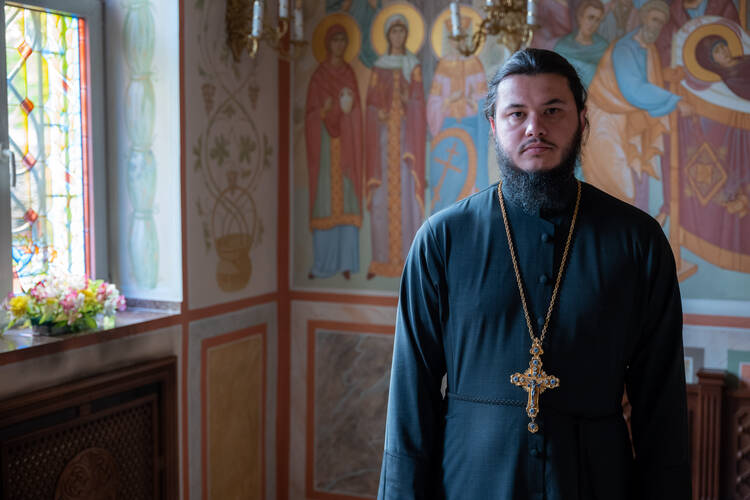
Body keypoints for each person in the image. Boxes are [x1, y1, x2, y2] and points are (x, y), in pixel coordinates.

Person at [378, 48, 690, 499]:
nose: (534, 128)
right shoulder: (442, 241)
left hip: (594, 484)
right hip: (471, 483)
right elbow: (410, 403)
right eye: (516, 113)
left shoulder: (638, 243)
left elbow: (661, 409)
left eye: (552, 111)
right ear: (493, 125)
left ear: (582, 121)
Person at [581, 0, 691, 213]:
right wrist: (675, 101)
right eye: (654, 20)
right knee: (619, 182)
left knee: (635, 178)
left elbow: (648, 79)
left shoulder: (647, 48)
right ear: (643, 18)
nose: (657, 26)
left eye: (661, 22)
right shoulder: (625, 47)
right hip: (606, 118)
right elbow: (635, 90)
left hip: (626, 120)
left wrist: (667, 76)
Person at [365, 14, 426, 279]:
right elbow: (369, 102)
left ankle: (408, 261)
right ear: (388, 36)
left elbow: (420, 104)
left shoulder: (413, 66)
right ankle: (380, 260)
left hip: (405, 145)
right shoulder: (379, 67)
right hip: (382, 145)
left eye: (402, 32)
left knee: (406, 197)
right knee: (381, 200)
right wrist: (375, 113)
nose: (398, 37)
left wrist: (408, 101)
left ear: (407, 35)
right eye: (394, 32)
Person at [305, 23, 364, 279]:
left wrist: (349, 113)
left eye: (343, 41)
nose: (339, 45)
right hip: (326, 151)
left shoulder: (350, 74)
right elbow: (309, 116)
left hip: (346, 151)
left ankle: (347, 263)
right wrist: (324, 111)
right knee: (325, 203)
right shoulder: (318, 76)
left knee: (347, 199)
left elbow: (358, 112)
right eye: (335, 40)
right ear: (328, 44)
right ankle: (323, 265)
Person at [553, 0, 609, 88]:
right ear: (580, 17)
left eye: (597, 20)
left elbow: (607, 79)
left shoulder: (603, 47)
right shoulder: (562, 47)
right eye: (590, 17)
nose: (593, 24)